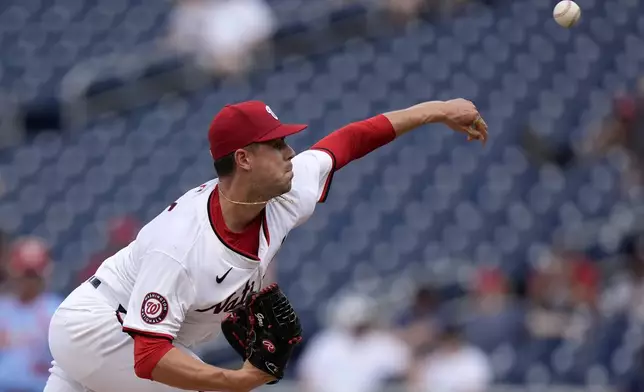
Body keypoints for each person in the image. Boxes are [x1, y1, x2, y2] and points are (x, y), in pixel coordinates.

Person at [44, 98, 488, 392]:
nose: (291, 152)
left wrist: (436, 109)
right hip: (102, 327)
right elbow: (149, 357)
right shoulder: (178, 245)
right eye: (277, 144)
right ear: (244, 158)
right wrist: (235, 380)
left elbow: (349, 141)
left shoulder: (285, 193)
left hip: (129, 336)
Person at [0, 236, 62, 391]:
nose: (26, 281)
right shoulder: (3, 307)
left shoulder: (56, 311)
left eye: (31, 275)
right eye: (23, 274)